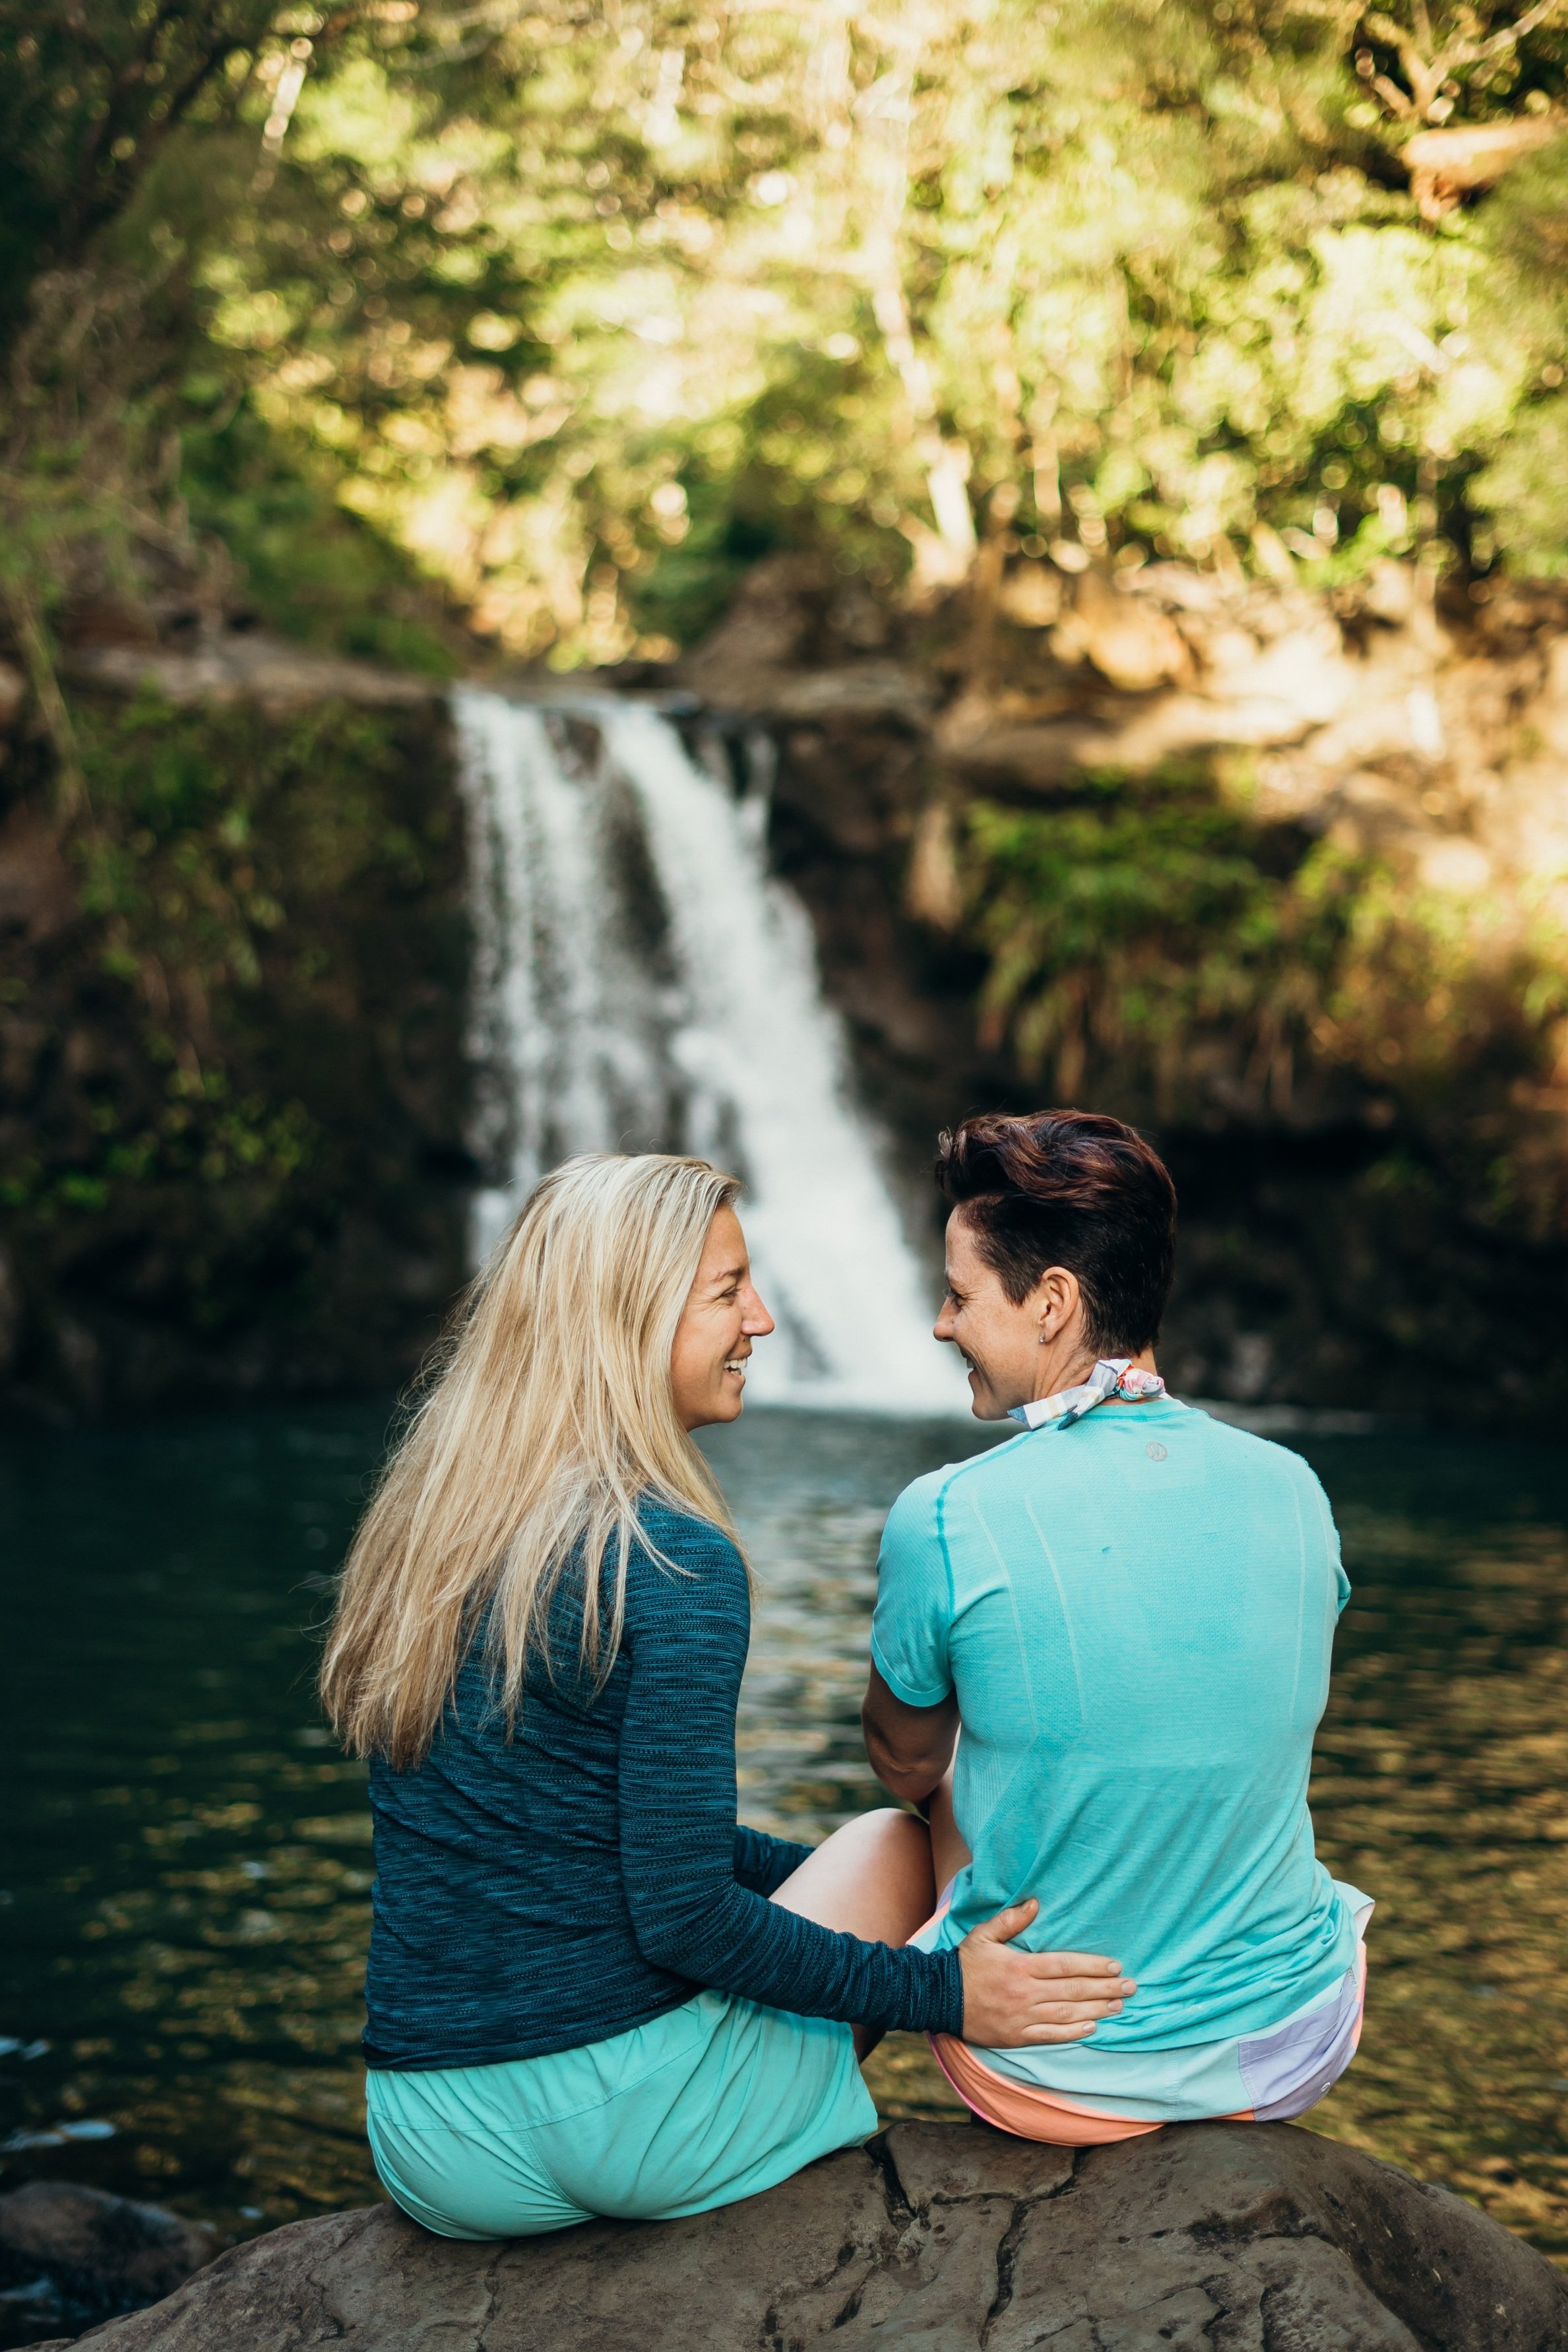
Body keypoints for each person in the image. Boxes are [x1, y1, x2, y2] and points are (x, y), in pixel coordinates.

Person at [321, 1151, 1131, 2237]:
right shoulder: (668, 1560)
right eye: (726, 1292)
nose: (762, 1317)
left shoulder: (429, 1529)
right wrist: (945, 1987)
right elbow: (683, 1913)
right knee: (896, 1843)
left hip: (430, 2144)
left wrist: (829, 1900)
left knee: (845, 1877)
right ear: (626, 1320)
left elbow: (614, 1836)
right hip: (622, 2135)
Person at [863, 1109, 1371, 2145]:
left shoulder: (949, 1512)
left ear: (1050, 1302)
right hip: (1291, 2042)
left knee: (919, 1811)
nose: (940, 1323)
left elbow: (903, 1759)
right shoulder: (1296, 1488)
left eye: (960, 1295)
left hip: (1049, 2069)